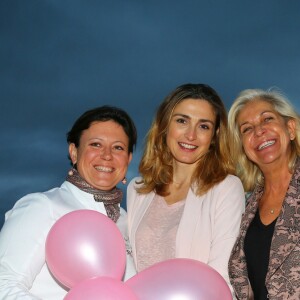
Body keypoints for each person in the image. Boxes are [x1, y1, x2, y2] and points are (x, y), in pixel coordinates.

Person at [0, 105, 137, 299]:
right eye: (95, 144)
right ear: (74, 152)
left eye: (118, 147)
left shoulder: (128, 221)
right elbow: (4, 284)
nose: (107, 155)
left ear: (128, 159)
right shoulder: (43, 206)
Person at [127, 83, 245, 295]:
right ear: (164, 125)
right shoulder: (138, 190)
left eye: (203, 126)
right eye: (182, 121)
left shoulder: (226, 188)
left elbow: (223, 275)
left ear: (214, 136)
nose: (191, 135)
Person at [227, 88, 300, 300]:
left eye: (267, 119)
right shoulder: (247, 207)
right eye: (247, 129)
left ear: (291, 128)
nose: (259, 131)